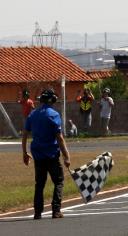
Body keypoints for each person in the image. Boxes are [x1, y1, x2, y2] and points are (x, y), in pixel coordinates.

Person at [21, 88, 71, 220]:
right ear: (51, 100)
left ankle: (37, 212)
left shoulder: (33, 115)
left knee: (40, 183)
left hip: (38, 154)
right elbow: (59, 138)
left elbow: (25, 134)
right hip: (52, 154)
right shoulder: (53, 115)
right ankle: (56, 210)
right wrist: (66, 156)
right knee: (59, 181)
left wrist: (25, 153)